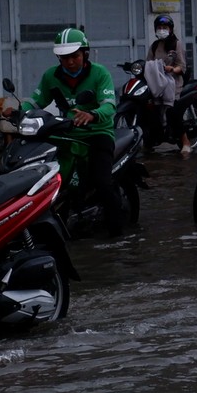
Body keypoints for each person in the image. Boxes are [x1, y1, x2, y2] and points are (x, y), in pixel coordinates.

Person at [21, 26, 123, 239]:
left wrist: (92, 115)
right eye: (64, 57)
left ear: (84, 53)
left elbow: (109, 105)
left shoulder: (99, 73)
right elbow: (36, 100)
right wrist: (18, 112)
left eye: (74, 56)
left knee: (103, 183)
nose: (69, 62)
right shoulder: (51, 76)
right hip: (67, 133)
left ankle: (117, 235)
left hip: (97, 133)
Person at [144, 14, 190, 154]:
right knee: (151, 111)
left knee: (172, 112)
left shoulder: (176, 44)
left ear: (170, 29)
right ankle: (151, 141)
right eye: (159, 27)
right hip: (157, 83)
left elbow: (182, 66)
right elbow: (148, 63)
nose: (162, 30)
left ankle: (185, 141)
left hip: (173, 83)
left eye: (165, 27)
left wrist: (172, 69)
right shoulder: (154, 46)